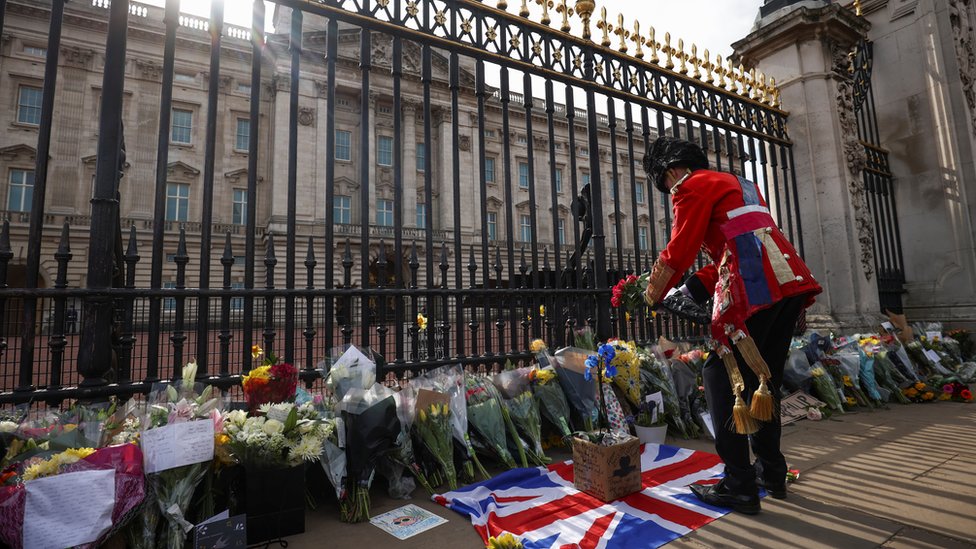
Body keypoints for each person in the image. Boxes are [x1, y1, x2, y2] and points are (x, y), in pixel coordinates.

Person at [641, 136, 821, 514]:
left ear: (672, 170)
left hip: (754, 288)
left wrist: (653, 292)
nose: (668, 189)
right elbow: (734, 245)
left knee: (723, 378)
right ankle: (771, 471)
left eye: (664, 182)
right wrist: (691, 289)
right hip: (786, 282)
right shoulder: (742, 184)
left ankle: (739, 483)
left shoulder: (689, 185)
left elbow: (682, 247)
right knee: (763, 378)